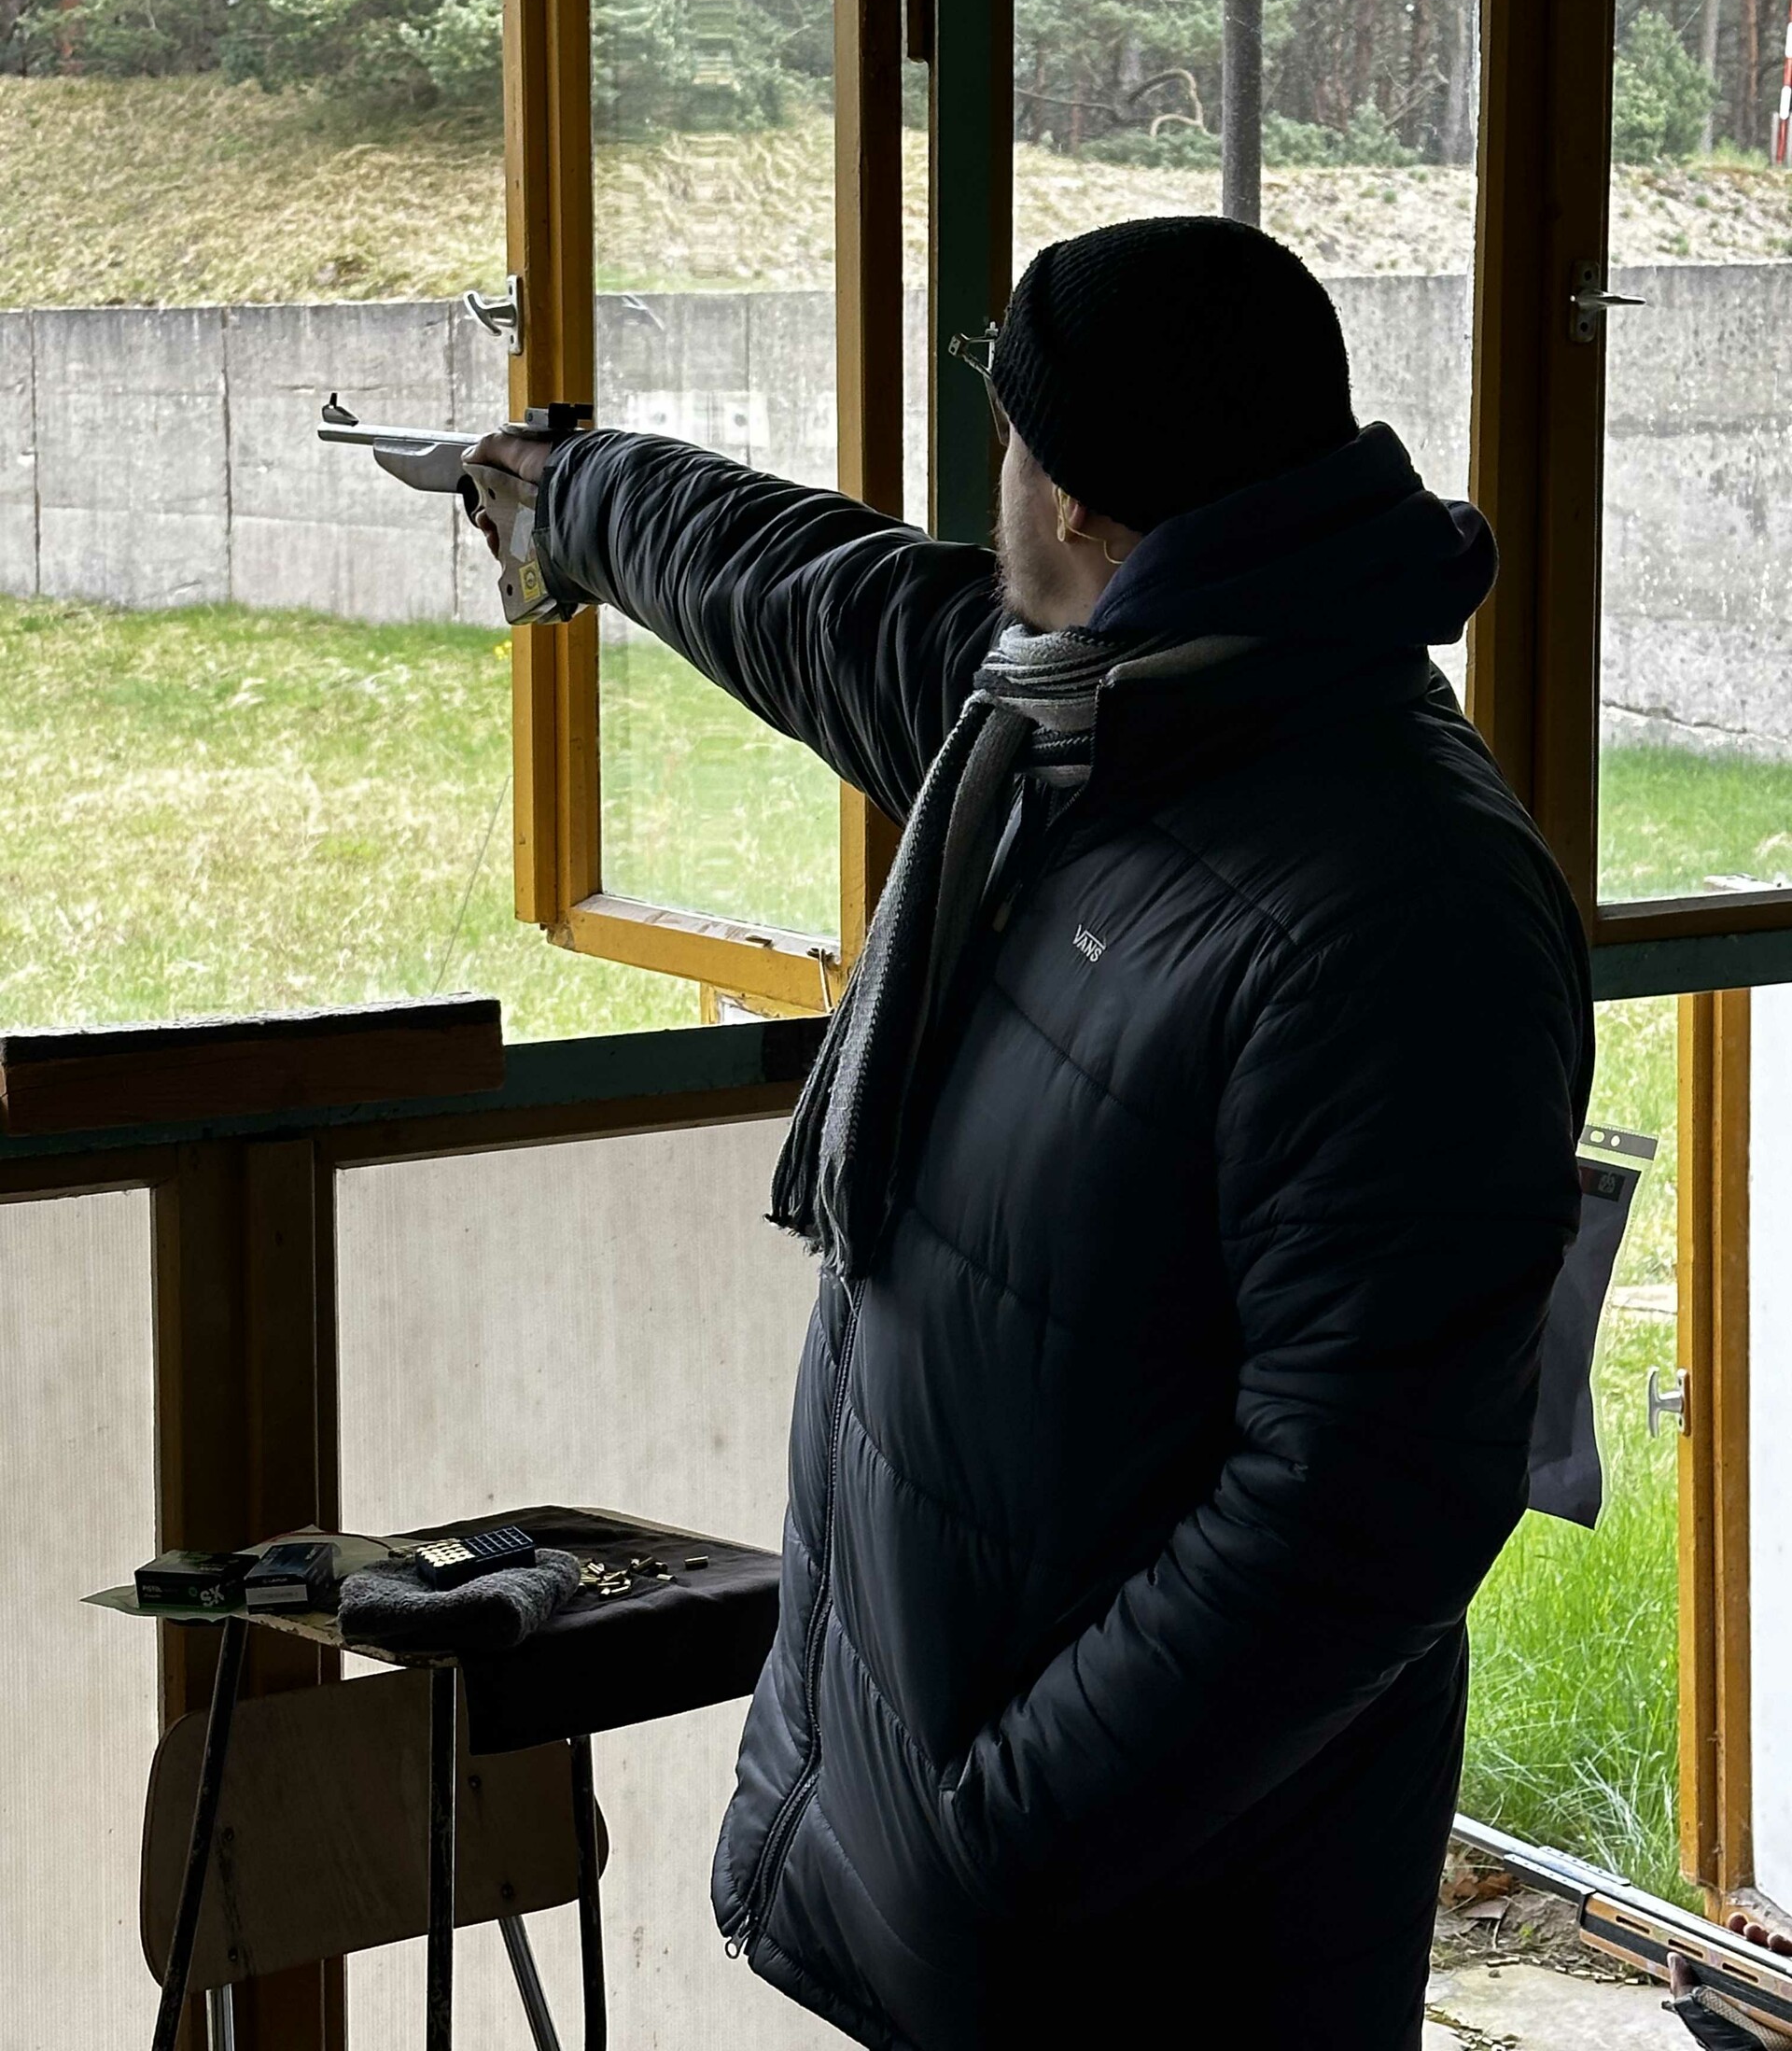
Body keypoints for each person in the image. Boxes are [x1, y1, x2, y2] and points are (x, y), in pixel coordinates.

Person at [469, 216, 1591, 2050]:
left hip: (1156, 1952)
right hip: (1002, 1916)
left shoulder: (1403, 902)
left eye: (1005, 437)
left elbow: (1365, 1512)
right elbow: (802, 586)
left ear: (1068, 494)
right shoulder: (1075, 717)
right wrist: (575, 494)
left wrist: (994, 1832)